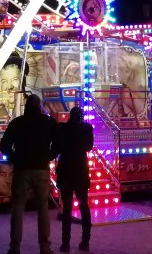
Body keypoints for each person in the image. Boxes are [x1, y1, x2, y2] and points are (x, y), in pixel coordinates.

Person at [0, 94, 61, 254]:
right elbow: (59, 143)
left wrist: (14, 158)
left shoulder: (17, 122)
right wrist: (49, 156)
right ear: (39, 106)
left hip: (22, 170)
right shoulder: (49, 122)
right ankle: (45, 247)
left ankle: (14, 247)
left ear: (26, 106)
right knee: (43, 209)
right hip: (41, 169)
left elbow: (4, 146)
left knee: (18, 209)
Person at [56, 106, 93, 252]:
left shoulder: (63, 128)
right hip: (81, 171)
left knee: (67, 208)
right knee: (84, 206)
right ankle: (85, 241)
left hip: (66, 170)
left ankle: (65, 243)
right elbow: (89, 147)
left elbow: (58, 146)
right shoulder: (86, 128)